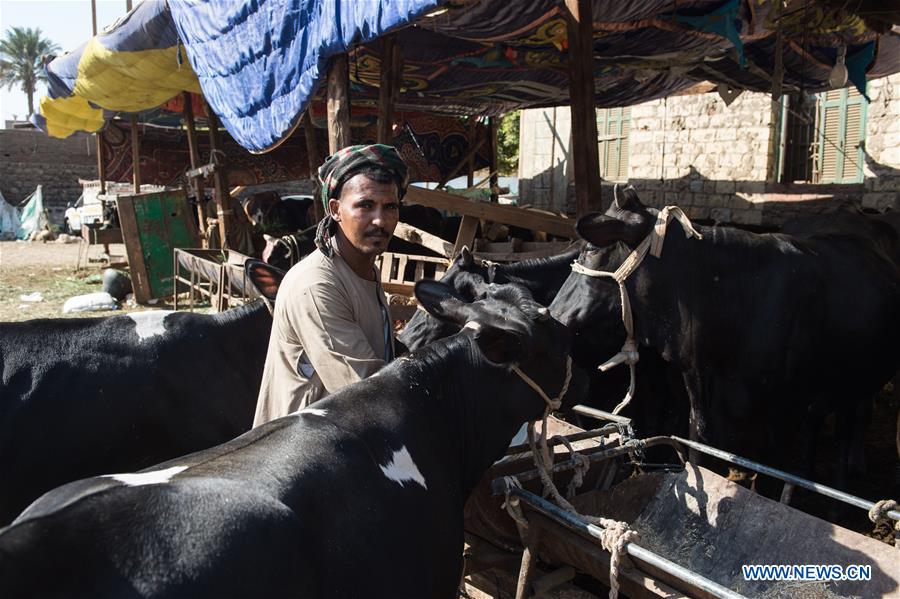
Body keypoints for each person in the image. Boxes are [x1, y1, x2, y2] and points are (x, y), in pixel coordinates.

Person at [253, 144, 407, 426]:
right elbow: (363, 391)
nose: (380, 220)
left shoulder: (364, 269)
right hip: (300, 449)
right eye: (365, 205)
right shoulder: (316, 284)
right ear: (335, 209)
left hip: (342, 432)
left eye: (390, 207)